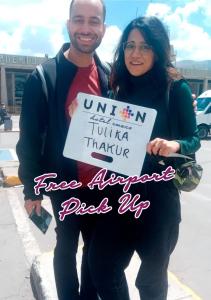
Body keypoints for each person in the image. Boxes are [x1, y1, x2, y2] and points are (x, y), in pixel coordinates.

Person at [86, 16, 201, 300]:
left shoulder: (176, 89)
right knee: (101, 265)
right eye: (130, 46)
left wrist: (174, 144)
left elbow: (194, 139)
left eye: (145, 47)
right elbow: (106, 140)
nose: (135, 54)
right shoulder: (119, 88)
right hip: (119, 196)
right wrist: (85, 117)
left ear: (158, 51)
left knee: (150, 282)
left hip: (158, 202)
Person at [16, 0, 109, 299]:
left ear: (103, 28)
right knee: (66, 245)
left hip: (102, 185)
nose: (86, 28)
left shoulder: (109, 75)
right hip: (64, 184)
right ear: (68, 24)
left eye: (93, 21)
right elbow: (29, 140)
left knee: (96, 249)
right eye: (79, 20)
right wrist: (32, 190)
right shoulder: (43, 77)